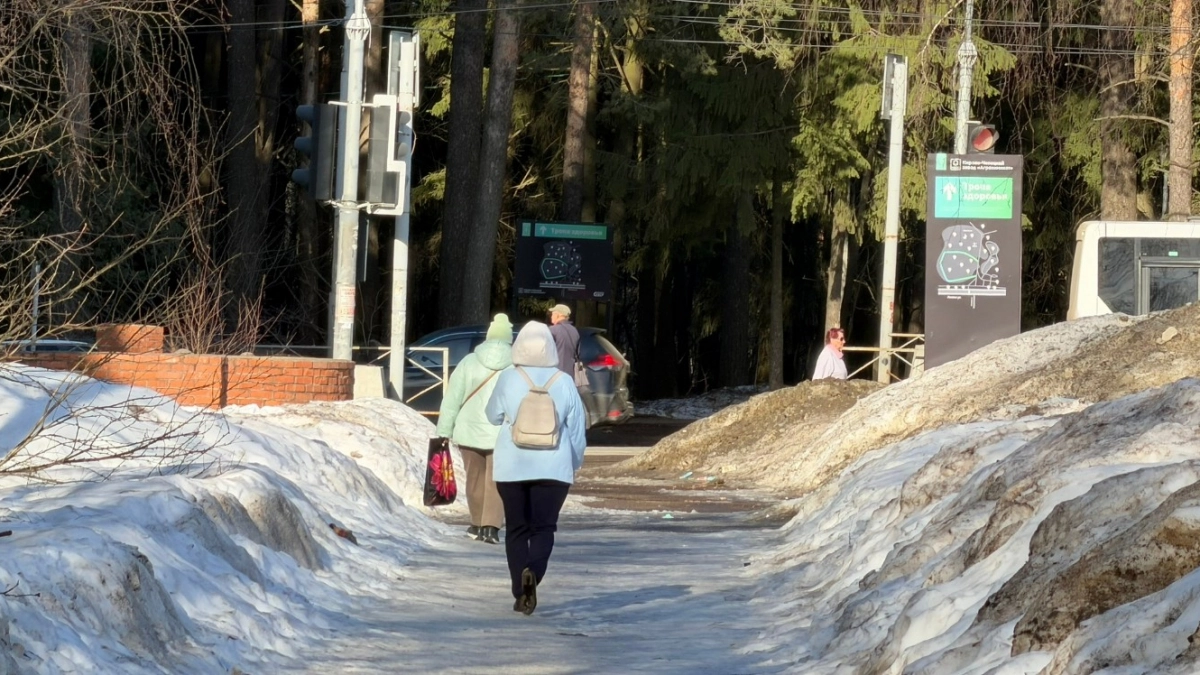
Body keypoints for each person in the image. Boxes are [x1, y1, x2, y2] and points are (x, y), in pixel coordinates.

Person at [485, 321, 587, 615]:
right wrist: (574, 460)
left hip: (512, 467)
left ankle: (520, 591)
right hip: (553, 468)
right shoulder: (564, 381)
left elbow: (492, 415)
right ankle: (534, 572)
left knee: (516, 529)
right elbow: (577, 429)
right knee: (543, 528)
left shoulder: (508, 378)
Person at [435, 313, 514, 544]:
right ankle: (492, 528)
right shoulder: (515, 366)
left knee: (474, 479)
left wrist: (444, 431)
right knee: (496, 480)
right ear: (510, 340)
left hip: (469, 431)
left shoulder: (469, 362)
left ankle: (476, 524)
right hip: (501, 432)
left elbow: (452, 399)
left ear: (488, 337)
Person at [547, 303, 580, 376]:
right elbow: (578, 352)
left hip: (554, 373)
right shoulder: (574, 330)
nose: (551, 316)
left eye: (553, 314)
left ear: (559, 315)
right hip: (570, 374)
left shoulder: (552, 330)